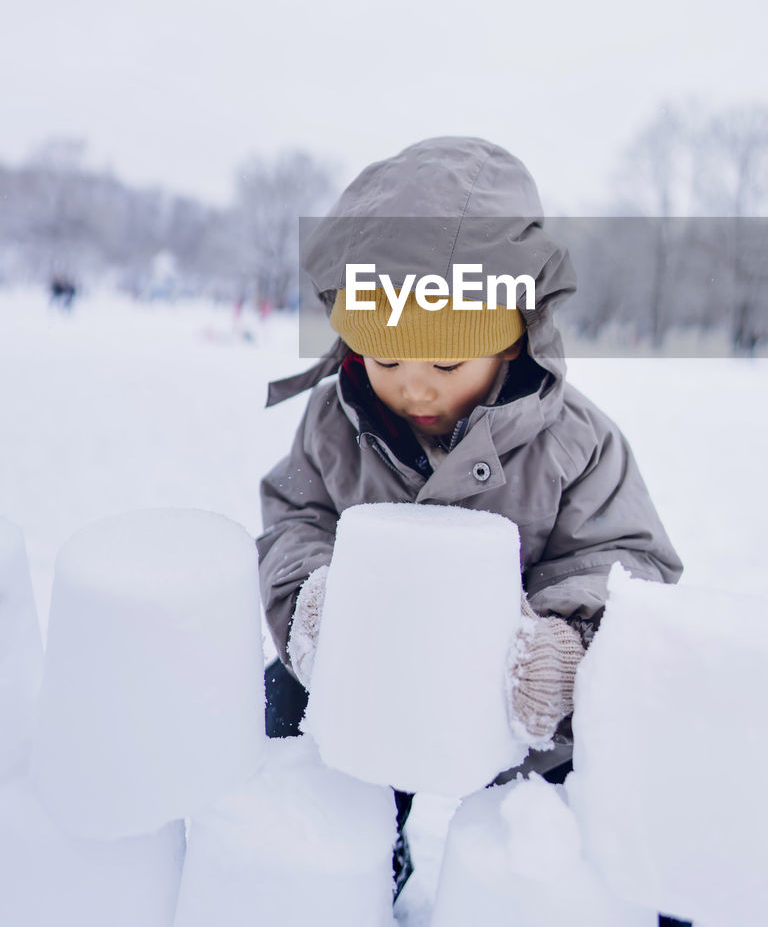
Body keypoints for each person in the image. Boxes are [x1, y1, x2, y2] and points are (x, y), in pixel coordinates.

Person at [256, 137, 687, 922]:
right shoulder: (333, 423)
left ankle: (595, 899)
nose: (412, 382)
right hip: (374, 677)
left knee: (639, 766)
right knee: (284, 722)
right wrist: (314, 611)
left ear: (516, 333)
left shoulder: (575, 443)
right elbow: (296, 522)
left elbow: (630, 566)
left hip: (521, 699)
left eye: (447, 363)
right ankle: (335, 881)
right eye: (385, 356)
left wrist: (564, 655)